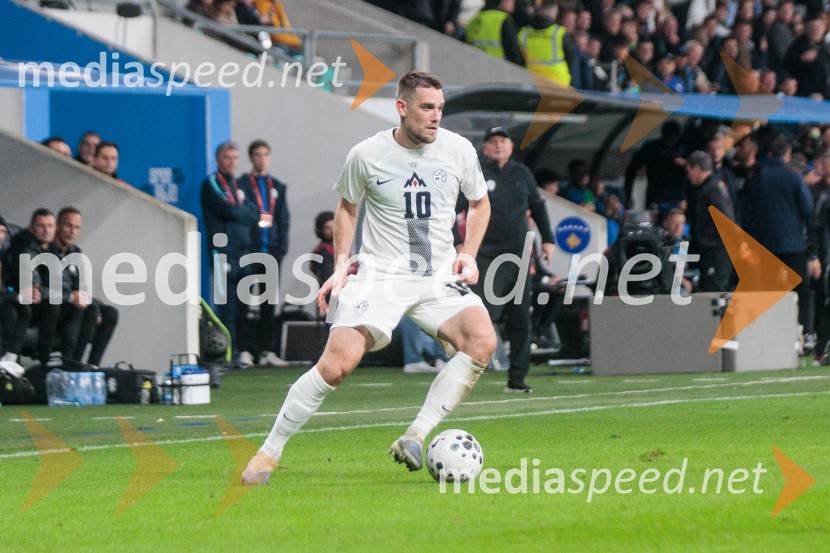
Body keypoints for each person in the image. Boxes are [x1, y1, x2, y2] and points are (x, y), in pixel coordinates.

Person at [242, 71, 496, 485]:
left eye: (440, 108)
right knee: (337, 366)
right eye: (427, 108)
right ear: (402, 107)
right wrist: (341, 263)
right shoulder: (366, 154)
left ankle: (415, 435)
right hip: (380, 274)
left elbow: (480, 204)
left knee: (482, 341)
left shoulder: (459, 150)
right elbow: (347, 209)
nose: (436, 117)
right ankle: (267, 454)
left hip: (436, 274)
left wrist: (467, 253)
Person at [460, 126, 555, 393]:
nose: (499, 145)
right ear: (485, 148)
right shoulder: (476, 174)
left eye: (504, 141)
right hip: (486, 256)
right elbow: (456, 208)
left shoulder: (522, 174)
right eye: (493, 141)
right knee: (482, 315)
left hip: (519, 256)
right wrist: (460, 245)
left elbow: (537, 205)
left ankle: (517, 380)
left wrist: (548, 239)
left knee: (520, 317)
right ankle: (464, 370)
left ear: (511, 147)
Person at [200, 141, 260, 366]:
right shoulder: (212, 183)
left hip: (244, 252)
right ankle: (225, 355)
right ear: (218, 160)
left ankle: (238, 353)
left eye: (235, 158)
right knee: (226, 307)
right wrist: (241, 212)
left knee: (242, 307)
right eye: (227, 158)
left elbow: (254, 212)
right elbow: (229, 210)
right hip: (222, 252)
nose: (231, 162)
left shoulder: (239, 185)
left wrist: (241, 212)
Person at [238, 139, 291, 368]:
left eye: (265, 154)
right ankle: (244, 350)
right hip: (249, 252)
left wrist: (281, 249)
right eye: (257, 155)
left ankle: (267, 350)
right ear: (251, 158)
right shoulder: (241, 185)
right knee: (244, 302)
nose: (261, 159)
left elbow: (283, 219)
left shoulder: (277, 186)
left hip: (271, 252)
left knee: (269, 303)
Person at [53, 207, 119, 366]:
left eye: (76, 227)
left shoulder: (76, 254)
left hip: (74, 302)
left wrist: (95, 304)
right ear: (57, 226)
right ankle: (73, 363)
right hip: (55, 305)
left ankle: (93, 365)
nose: (72, 231)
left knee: (110, 313)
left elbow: (83, 290)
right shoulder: (47, 251)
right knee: (88, 310)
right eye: (68, 226)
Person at [686, 151, 735, 292]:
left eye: (689, 170)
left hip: (717, 249)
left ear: (696, 169)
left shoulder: (712, 189)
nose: (688, 175)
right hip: (710, 249)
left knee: (713, 291)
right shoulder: (707, 187)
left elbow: (726, 219)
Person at [517, 0, 577, 87]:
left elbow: (518, 58)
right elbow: (571, 57)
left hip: (532, 83)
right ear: (554, 12)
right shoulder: (559, 33)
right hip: (557, 84)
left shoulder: (523, 33)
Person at [465, 0, 525, 66]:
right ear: (503, 2)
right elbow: (513, 50)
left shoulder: (474, 20)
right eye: (512, 2)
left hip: (473, 65)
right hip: (498, 67)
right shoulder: (503, 19)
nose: (514, 5)